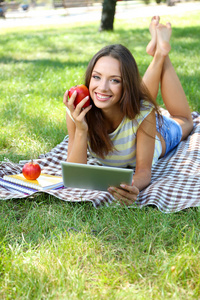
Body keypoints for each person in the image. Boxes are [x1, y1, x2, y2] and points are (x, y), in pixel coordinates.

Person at [63, 16, 193, 206]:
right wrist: (81, 129)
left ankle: (161, 55)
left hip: (156, 135)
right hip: (132, 112)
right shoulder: (78, 109)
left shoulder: (143, 114)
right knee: (140, 101)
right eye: (97, 77)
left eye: (115, 80)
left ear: (126, 84)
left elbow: (143, 172)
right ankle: (158, 51)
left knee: (184, 120)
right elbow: (75, 173)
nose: (102, 88)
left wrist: (134, 187)